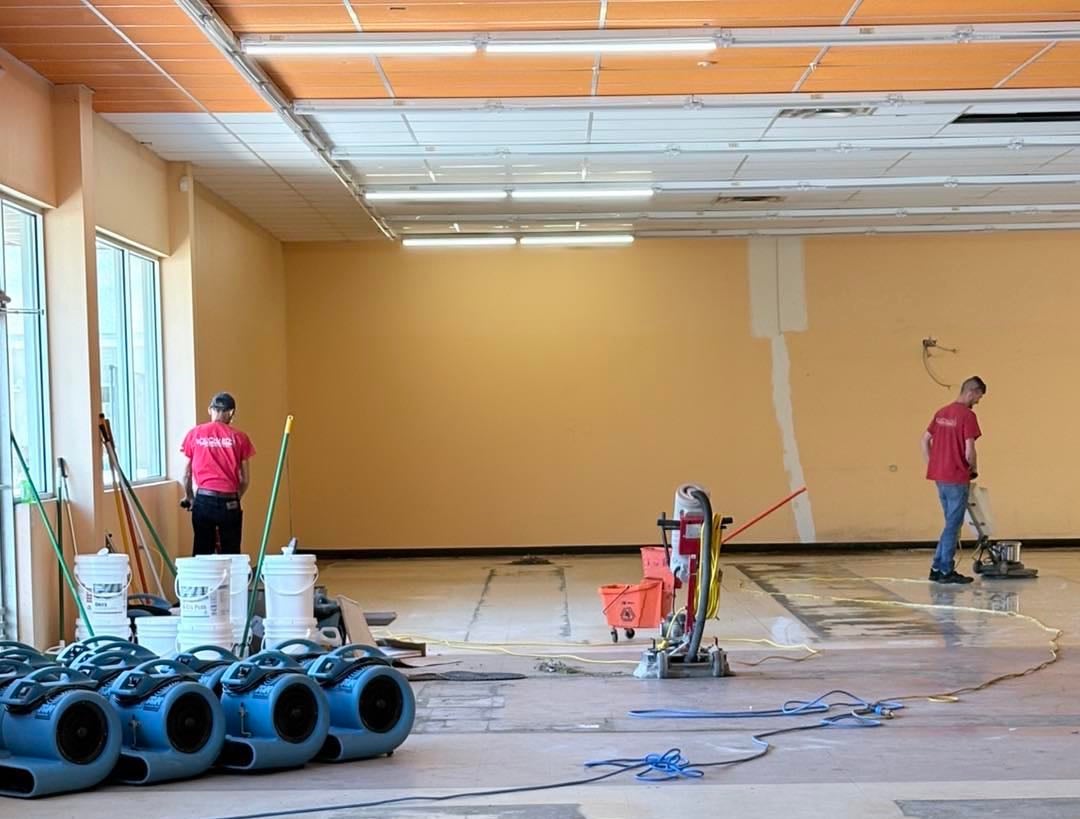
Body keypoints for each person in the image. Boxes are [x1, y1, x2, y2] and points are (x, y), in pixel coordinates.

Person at [920, 376, 986, 584]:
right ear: (972, 392)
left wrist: (933, 462)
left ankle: (937, 567)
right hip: (957, 476)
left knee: (950, 523)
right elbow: (969, 449)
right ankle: (945, 570)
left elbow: (924, 440)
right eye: (979, 397)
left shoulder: (941, 412)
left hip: (940, 476)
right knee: (953, 524)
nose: (978, 402)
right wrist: (973, 468)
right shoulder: (967, 416)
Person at [181, 392, 255, 555]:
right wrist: (236, 497)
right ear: (231, 412)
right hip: (229, 501)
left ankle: (203, 581)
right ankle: (232, 580)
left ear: (210, 410)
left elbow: (186, 474)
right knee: (232, 553)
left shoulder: (195, 434)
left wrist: (190, 498)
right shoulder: (240, 437)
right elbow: (245, 479)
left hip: (204, 499)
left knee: (202, 551)